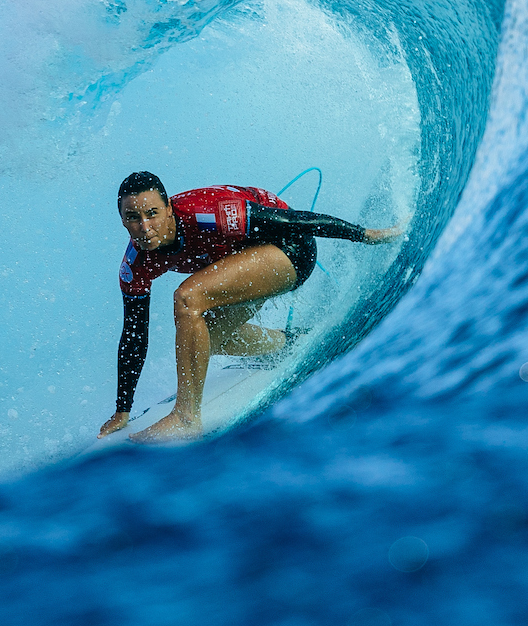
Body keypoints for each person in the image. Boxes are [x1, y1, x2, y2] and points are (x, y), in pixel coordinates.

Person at [99, 170, 403, 444]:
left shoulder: (207, 214)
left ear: (169, 210)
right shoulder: (135, 264)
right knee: (203, 343)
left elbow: (294, 222)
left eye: (152, 213)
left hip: (290, 249)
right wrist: (122, 409)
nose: (145, 227)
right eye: (133, 218)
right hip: (244, 263)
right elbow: (134, 334)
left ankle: (186, 418)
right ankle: (287, 342)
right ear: (122, 220)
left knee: (187, 298)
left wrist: (365, 235)